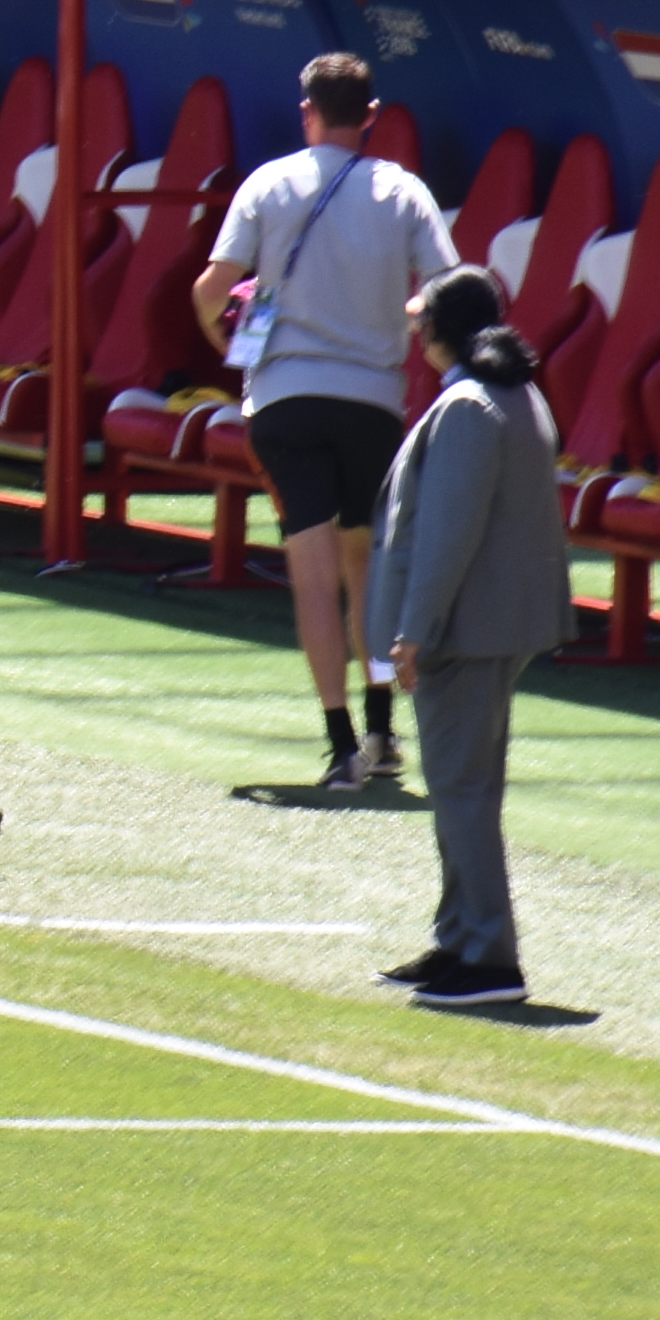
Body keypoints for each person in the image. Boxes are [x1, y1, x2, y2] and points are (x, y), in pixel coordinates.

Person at [195, 52, 462, 790]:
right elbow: (450, 287)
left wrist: (227, 339)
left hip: (284, 396)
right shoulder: (402, 190)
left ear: (305, 107)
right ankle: (382, 729)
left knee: (311, 575)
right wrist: (401, 319)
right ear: (371, 117)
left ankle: (340, 742)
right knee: (366, 569)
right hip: (372, 400)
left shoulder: (268, 183)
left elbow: (210, 285)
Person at [369, 263, 572, 1012]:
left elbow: (446, 535)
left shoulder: (468, 406)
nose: (414, 330)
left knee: (461, 790)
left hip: (468, 625)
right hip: (497, 619)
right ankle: (460, 936)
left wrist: (414, 631)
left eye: (423, 320)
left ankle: (486, 955)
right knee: (465, 786)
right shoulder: (515, 397)